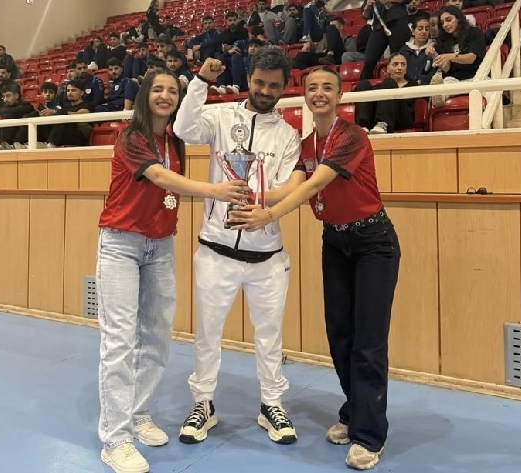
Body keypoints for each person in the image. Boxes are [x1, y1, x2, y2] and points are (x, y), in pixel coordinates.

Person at [229, 66, 401, 470]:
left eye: (327, 87)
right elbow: (292, 186)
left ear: (340, 96)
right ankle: (355, 411)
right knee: (340, 335)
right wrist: (245, 193)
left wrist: (267, 215)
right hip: (335, 242)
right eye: (312, 88)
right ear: (304, 95)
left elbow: (313, 186)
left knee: (368, 341)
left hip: (373, 242)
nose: (319, 93)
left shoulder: (352, 137)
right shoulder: (307, 144)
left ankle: (369, 434)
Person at [96, 68, 250, 473]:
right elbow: (160, 176)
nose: (165, 96)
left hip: (160, 245)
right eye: (158, 89)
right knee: (119, 341)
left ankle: (138, 414)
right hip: (121, 244)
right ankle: (115, 439)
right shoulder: (131, 137)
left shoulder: (174, 140)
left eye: (172, 91)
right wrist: (215, 191)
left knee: (157, 337)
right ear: (145, 95)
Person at [173, 49, 302, 445]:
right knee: (207, 333)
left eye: (274, 85)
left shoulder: (288, 135)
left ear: (283, 87)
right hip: (216, 250)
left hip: (267, 256)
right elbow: (183, 128)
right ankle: (203, 403)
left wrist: (260, 205)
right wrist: (201, 82)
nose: (265, 90)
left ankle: (271, 404)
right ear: (249, 79)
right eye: (259, 82)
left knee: (270, 336)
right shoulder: (220, 117)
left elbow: (286, 187)